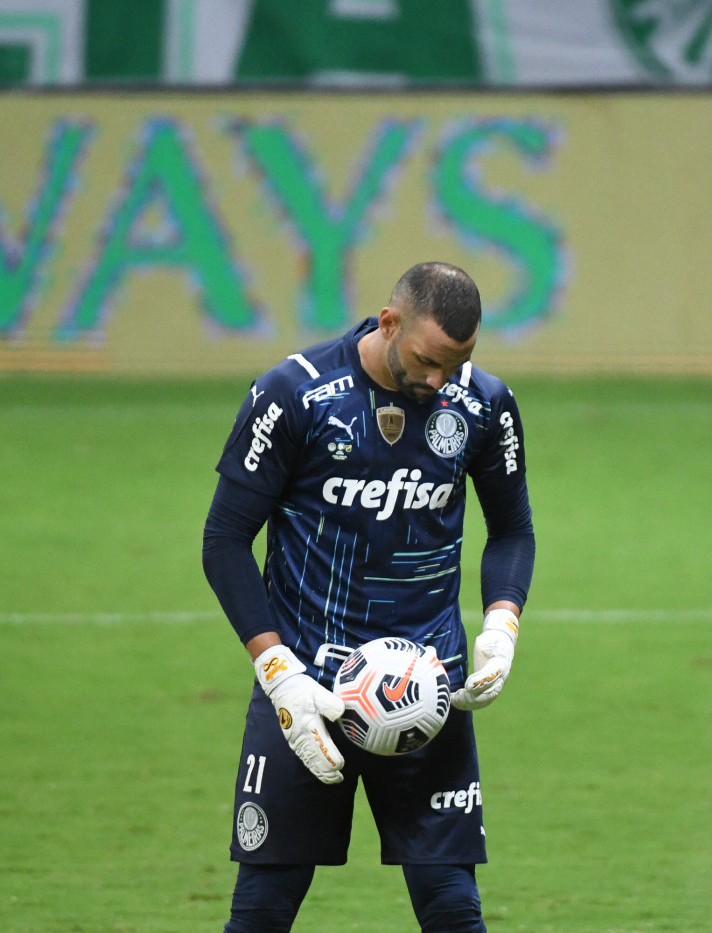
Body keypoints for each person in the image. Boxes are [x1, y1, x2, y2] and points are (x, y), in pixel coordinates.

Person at [201, 261, 535, 933]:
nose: (441, 379)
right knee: (263, 906)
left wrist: (501, 624)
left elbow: (513, 530)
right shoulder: (293, 395)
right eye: (429, 359)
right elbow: (225, 540)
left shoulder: (483, 405)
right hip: (307, 692)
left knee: (452, 904)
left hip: (425, 692)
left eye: (459, 362)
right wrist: (278, 672)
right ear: (389, 323)